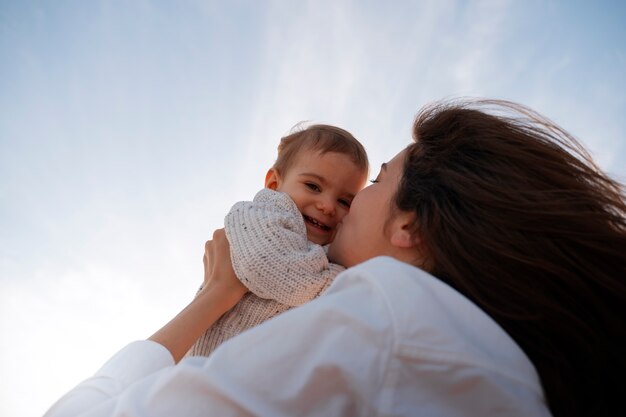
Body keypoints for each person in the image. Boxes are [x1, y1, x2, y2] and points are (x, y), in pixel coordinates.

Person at [44, 99, 626, 417]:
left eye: (371, 186)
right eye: (318, 189)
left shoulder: (385, 316)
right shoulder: (469, 351)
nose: (341, 208)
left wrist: (212, 297)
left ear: (410, 224)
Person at [186, 124, 369, 356]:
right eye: (313, 186)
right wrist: (341, 281)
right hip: (204, 360)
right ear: (274, 184)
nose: (328, 206)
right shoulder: (259, 215)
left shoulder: (322, 249)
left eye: (344, 202)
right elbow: (265, 266)